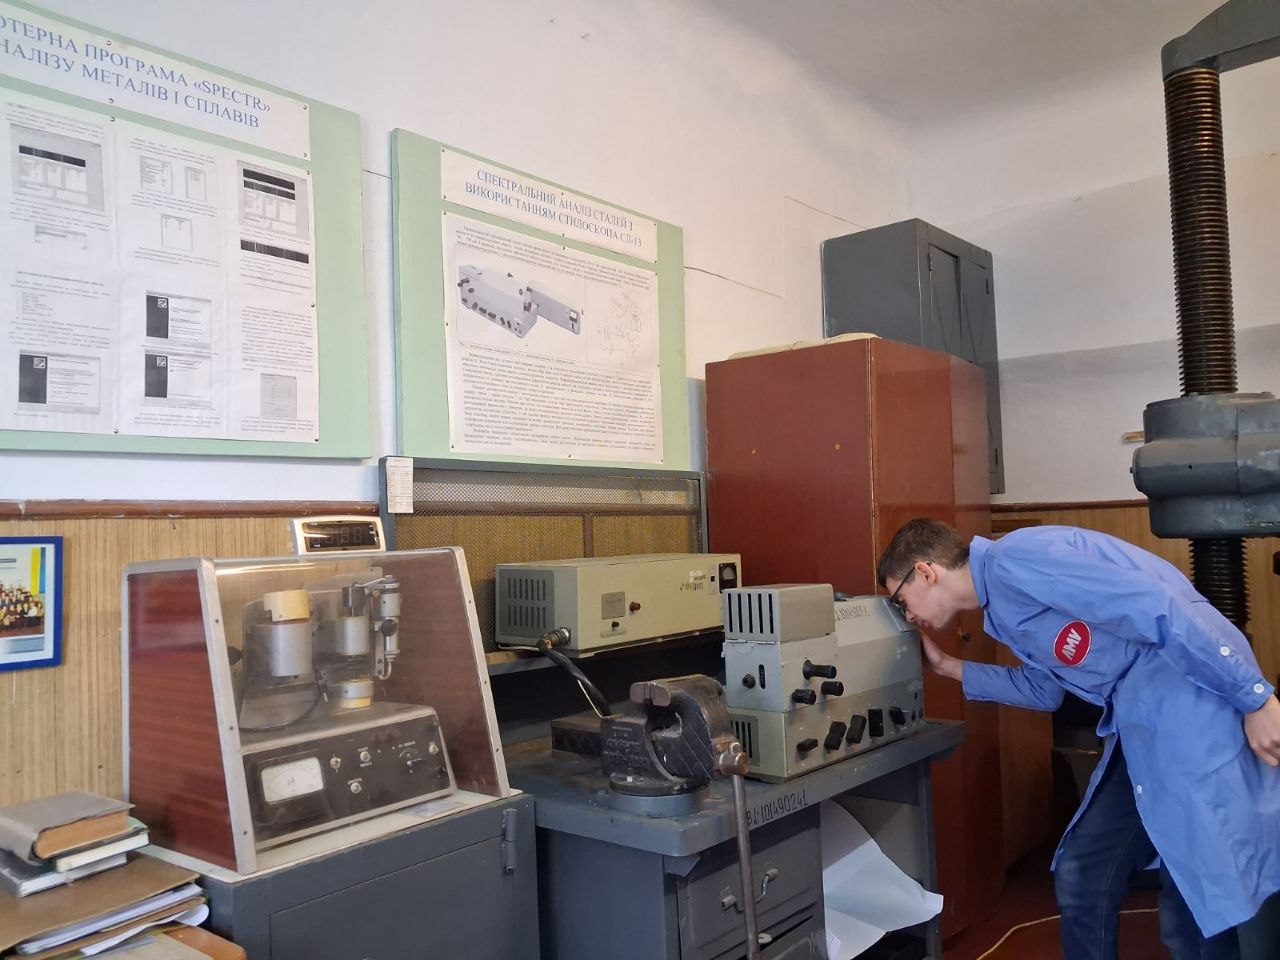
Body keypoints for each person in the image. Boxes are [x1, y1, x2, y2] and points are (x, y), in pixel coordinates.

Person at [876, 518, 1280, 960]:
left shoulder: (1016, 560)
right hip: (1140, 722)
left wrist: (1254, 697)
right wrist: (946, 667)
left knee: (1197, 903)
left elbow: (1157, 603)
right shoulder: (1001, 609)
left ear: (926, 572)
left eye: (901, 601)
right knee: (1083, 872)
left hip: (1185, 698)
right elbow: (1045, 691)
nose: (908, 617)